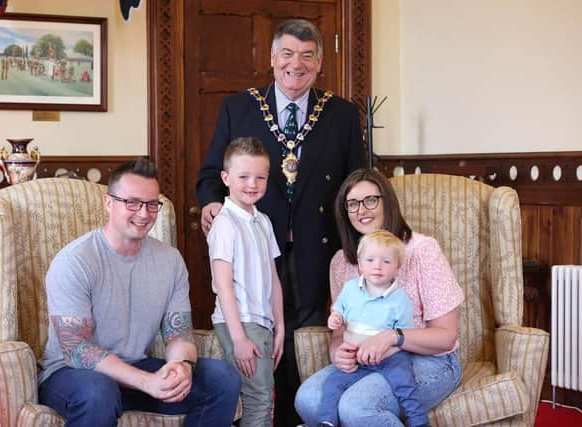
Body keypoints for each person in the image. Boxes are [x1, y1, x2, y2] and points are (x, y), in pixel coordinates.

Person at [196, 19, 366, 425]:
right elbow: (209, 175)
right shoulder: (238, 107)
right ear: (272, 58)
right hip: (252, 246)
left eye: (307, 55)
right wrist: (210, 205)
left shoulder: (341, 114)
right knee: (255, 336)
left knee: (300, 340)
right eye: (287, 53)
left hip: (316, 246)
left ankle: (296, 418)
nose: (297, 64)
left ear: (320, 62)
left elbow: (358, 180)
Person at [38, 158, 241, 427]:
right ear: (109, 202)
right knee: (99, 392)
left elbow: (178, 333)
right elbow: (76, 349)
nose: (143, 214)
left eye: (151, 204)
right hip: (72, 375)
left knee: (222, 378)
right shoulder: (75, 261)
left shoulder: (170, 261)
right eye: (131, 203)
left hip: (135, 370)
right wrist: (148, 382)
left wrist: (182, 366)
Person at [295, 168, 464, 427]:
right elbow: (340, 333)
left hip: (431, 361)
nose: (362, 210)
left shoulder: (422, 251)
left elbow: (446, 336)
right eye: (352, 204)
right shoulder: (341, 262)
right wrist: (337, 351)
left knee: (356, 407)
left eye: (370, 200)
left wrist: (391, 337)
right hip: (365, 362)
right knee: (307, 399)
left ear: (388, 201)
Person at [208, 137, 285, 426]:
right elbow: (223, 284)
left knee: (265, 397)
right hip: (240, 322)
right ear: (226, 178)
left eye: (260, 177)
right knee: (259, 399)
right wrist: (239, 338)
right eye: (243, 177)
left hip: (263, 322)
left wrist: (280, 327)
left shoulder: (263, 221)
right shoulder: (225, 223)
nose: (252, 184)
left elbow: (273, 278)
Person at [318, 229, 428, 427]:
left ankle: (419, 421)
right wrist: (334, 319)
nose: (377, 266)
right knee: (332, 385)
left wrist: (387, 351)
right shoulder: (350, 289)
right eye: (370, 260)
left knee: (405, 384)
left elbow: (403, 335)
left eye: (386, 262)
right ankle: (326, 422)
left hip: (390, 358)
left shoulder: (401, 299)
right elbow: (338, 312)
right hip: (355, 357)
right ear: (360, 265)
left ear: (397, 268)